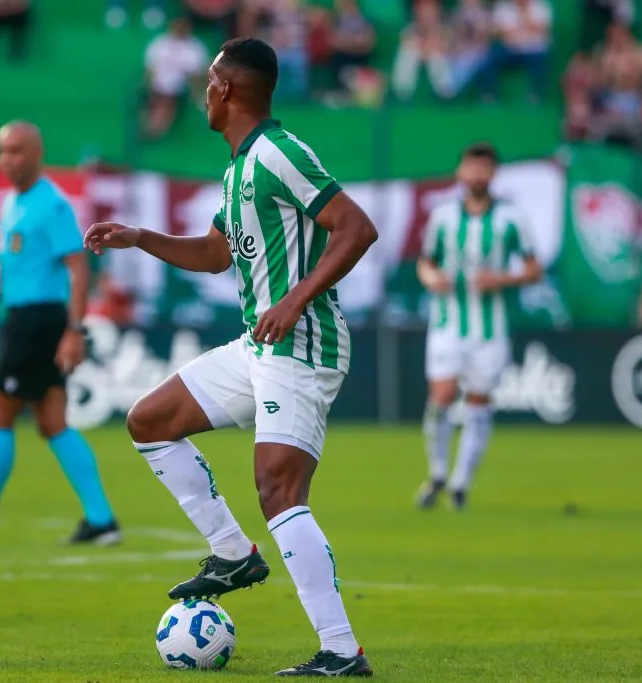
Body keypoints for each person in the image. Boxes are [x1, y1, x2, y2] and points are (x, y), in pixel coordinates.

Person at [85, 38, 378, 678]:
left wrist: (297, 299)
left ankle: (342, 651)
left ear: (227, 91)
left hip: (301, 343)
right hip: (259, 343)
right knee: (150, 420)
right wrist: (140, 238)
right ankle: (231, 551)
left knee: (278, 488)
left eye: (209, 81)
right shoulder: (239, 166)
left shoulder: (279, 153)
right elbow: (218, 253)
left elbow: (356, 227)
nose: (203, 92)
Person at [0, 121, 121, 546]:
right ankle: (101, 519)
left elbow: (78, 266)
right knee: (52, 421)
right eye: (2, 150)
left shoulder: (50, 204)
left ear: (36, 154)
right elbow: (3, 270)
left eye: (16, 150)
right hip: (25, 318)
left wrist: (75, 330)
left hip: (39, 321)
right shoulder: (15, 203)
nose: (7, 159)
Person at [414, 143, 543, 511]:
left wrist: (501, 279)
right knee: (441, 396)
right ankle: (437, 472)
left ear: (494, 173)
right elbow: (425, 262)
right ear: (459, 172)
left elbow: (534, 270)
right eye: (471, 166)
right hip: (447, 323)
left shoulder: (511, 218)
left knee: (478, 402)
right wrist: (432, 279)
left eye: (484, 167)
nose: (476, 174)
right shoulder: (443, 217)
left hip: (490, 329)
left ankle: (460, 483)